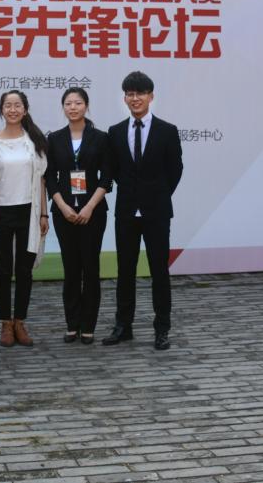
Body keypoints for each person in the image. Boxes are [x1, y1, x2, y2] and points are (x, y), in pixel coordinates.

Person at [103, 71, 183, 351]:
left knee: (159, 271)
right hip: (126, 211)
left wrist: (156, 196)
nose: (135, 98)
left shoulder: (167, 131)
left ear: (151, 96)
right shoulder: (115, 132)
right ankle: (123, 326)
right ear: (124, 98)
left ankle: (162, 329)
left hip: (157, 212)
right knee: (125, 270)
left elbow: (175, 170)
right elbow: (114, 170)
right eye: (130, 94)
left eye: (140, 93)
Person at [0, 90, 49, 347]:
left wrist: (44, 213)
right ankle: (5, 324)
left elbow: (41, 181)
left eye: (17, 105)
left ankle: (20, 321)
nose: (12, 109)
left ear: (25, 109)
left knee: (24, 271)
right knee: (3, 270)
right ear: (1, 110)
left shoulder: (34, 141)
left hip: (29, 212)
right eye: (7, 105)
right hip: (0, 212)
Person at [44, 87, 112, 345]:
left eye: (78, 103)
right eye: (68, 103)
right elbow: (50, 177)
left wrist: (89, 207)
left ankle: (89, 326)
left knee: (90, 268)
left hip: (92, 212)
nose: (73, 107)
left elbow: (107, 177)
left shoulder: (101, 138)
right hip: (64, 213)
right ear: (63, 107)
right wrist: (62, 206)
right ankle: (72, 324)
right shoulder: (54, 138)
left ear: (86, 106)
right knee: (71, 268)